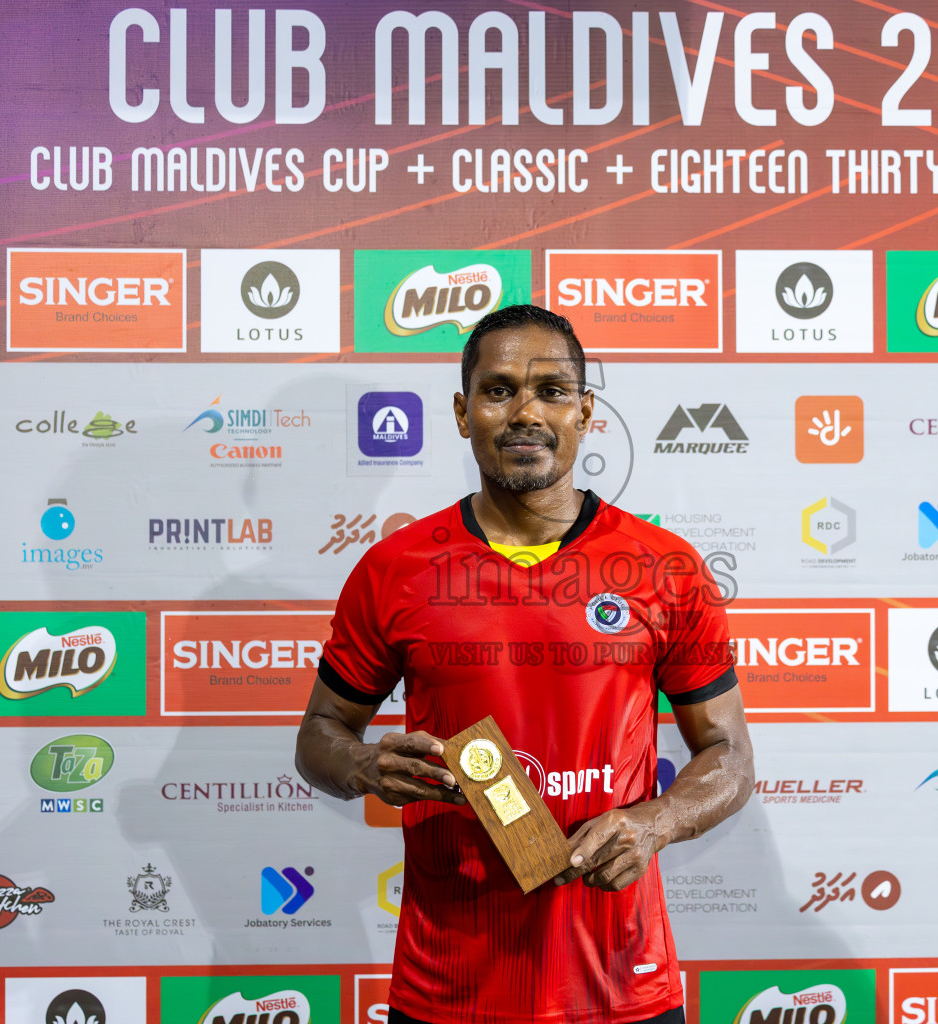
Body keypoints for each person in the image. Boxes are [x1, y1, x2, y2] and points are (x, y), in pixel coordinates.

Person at [295, 303, 755, 1024]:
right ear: (461, 410)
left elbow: (729, 756)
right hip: (450, 992)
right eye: (499, 389)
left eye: (551, 391)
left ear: (586, 411)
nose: (525, 413)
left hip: (620, 986)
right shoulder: (396, 569)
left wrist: (658, 822)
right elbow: (319, 734)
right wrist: (362, 766)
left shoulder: (663, 567)